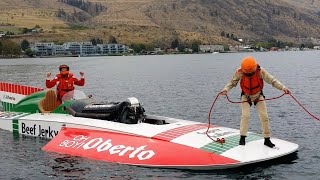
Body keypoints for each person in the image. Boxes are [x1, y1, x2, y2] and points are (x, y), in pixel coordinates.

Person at [220, 56, 290, 148]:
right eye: (247, 72)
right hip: (246, 96)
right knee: (245, 116)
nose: (249, 74)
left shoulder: (260, 71)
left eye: (250, 72)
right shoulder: (240, 72)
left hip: (258, 96)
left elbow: (272, 80)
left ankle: (267, 139)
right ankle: (242, 138)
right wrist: (225, 90)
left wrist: (283, 88)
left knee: (264, 117)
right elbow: (232, 82)